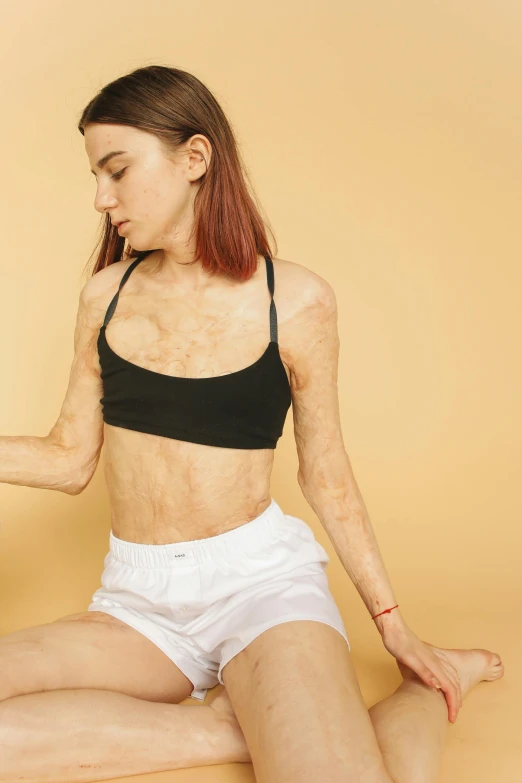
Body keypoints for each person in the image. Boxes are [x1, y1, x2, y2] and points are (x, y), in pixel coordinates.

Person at [0, 65, 503, 783]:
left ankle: (425, 687)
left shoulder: (294, 301)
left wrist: (393, 625)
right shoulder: (106, 296)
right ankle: (232, 726)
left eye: (117, 171)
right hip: (138, 603)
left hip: (259, 589)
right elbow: (69, 456)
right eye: (95, 175)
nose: (100, 197)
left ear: (195, 159)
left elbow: (324, 476)